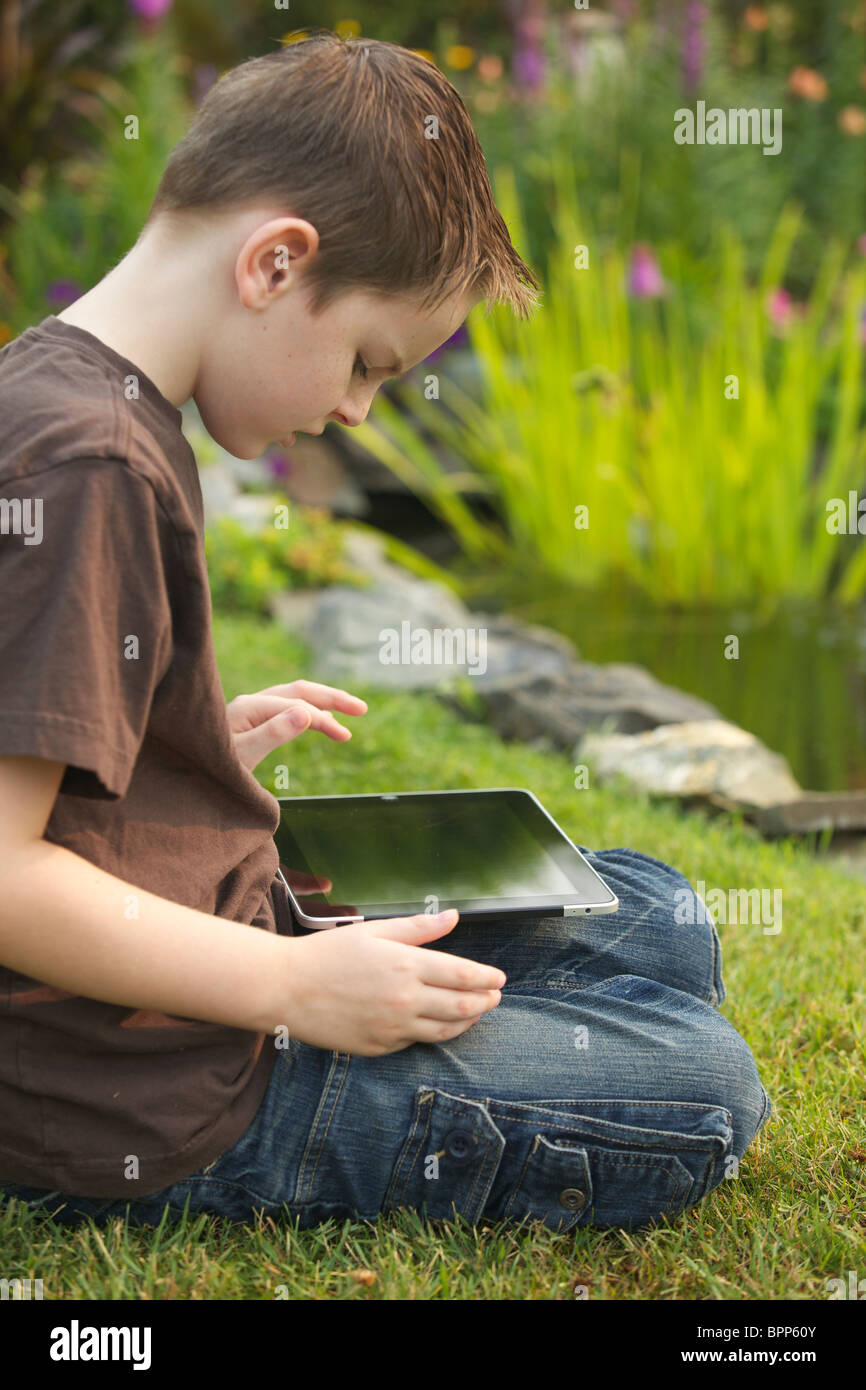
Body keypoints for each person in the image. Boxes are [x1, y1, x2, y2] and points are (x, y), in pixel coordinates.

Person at [0, 30, 770, 1235]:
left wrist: (170, 753)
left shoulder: (76, 398)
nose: (356, 408)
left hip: (200, 958)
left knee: (657, 915)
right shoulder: (91, 459)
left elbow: (42, 767)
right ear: (273, 263)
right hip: (152, 1098)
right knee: (704, 1082)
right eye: (364, 361)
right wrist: (294, 986)